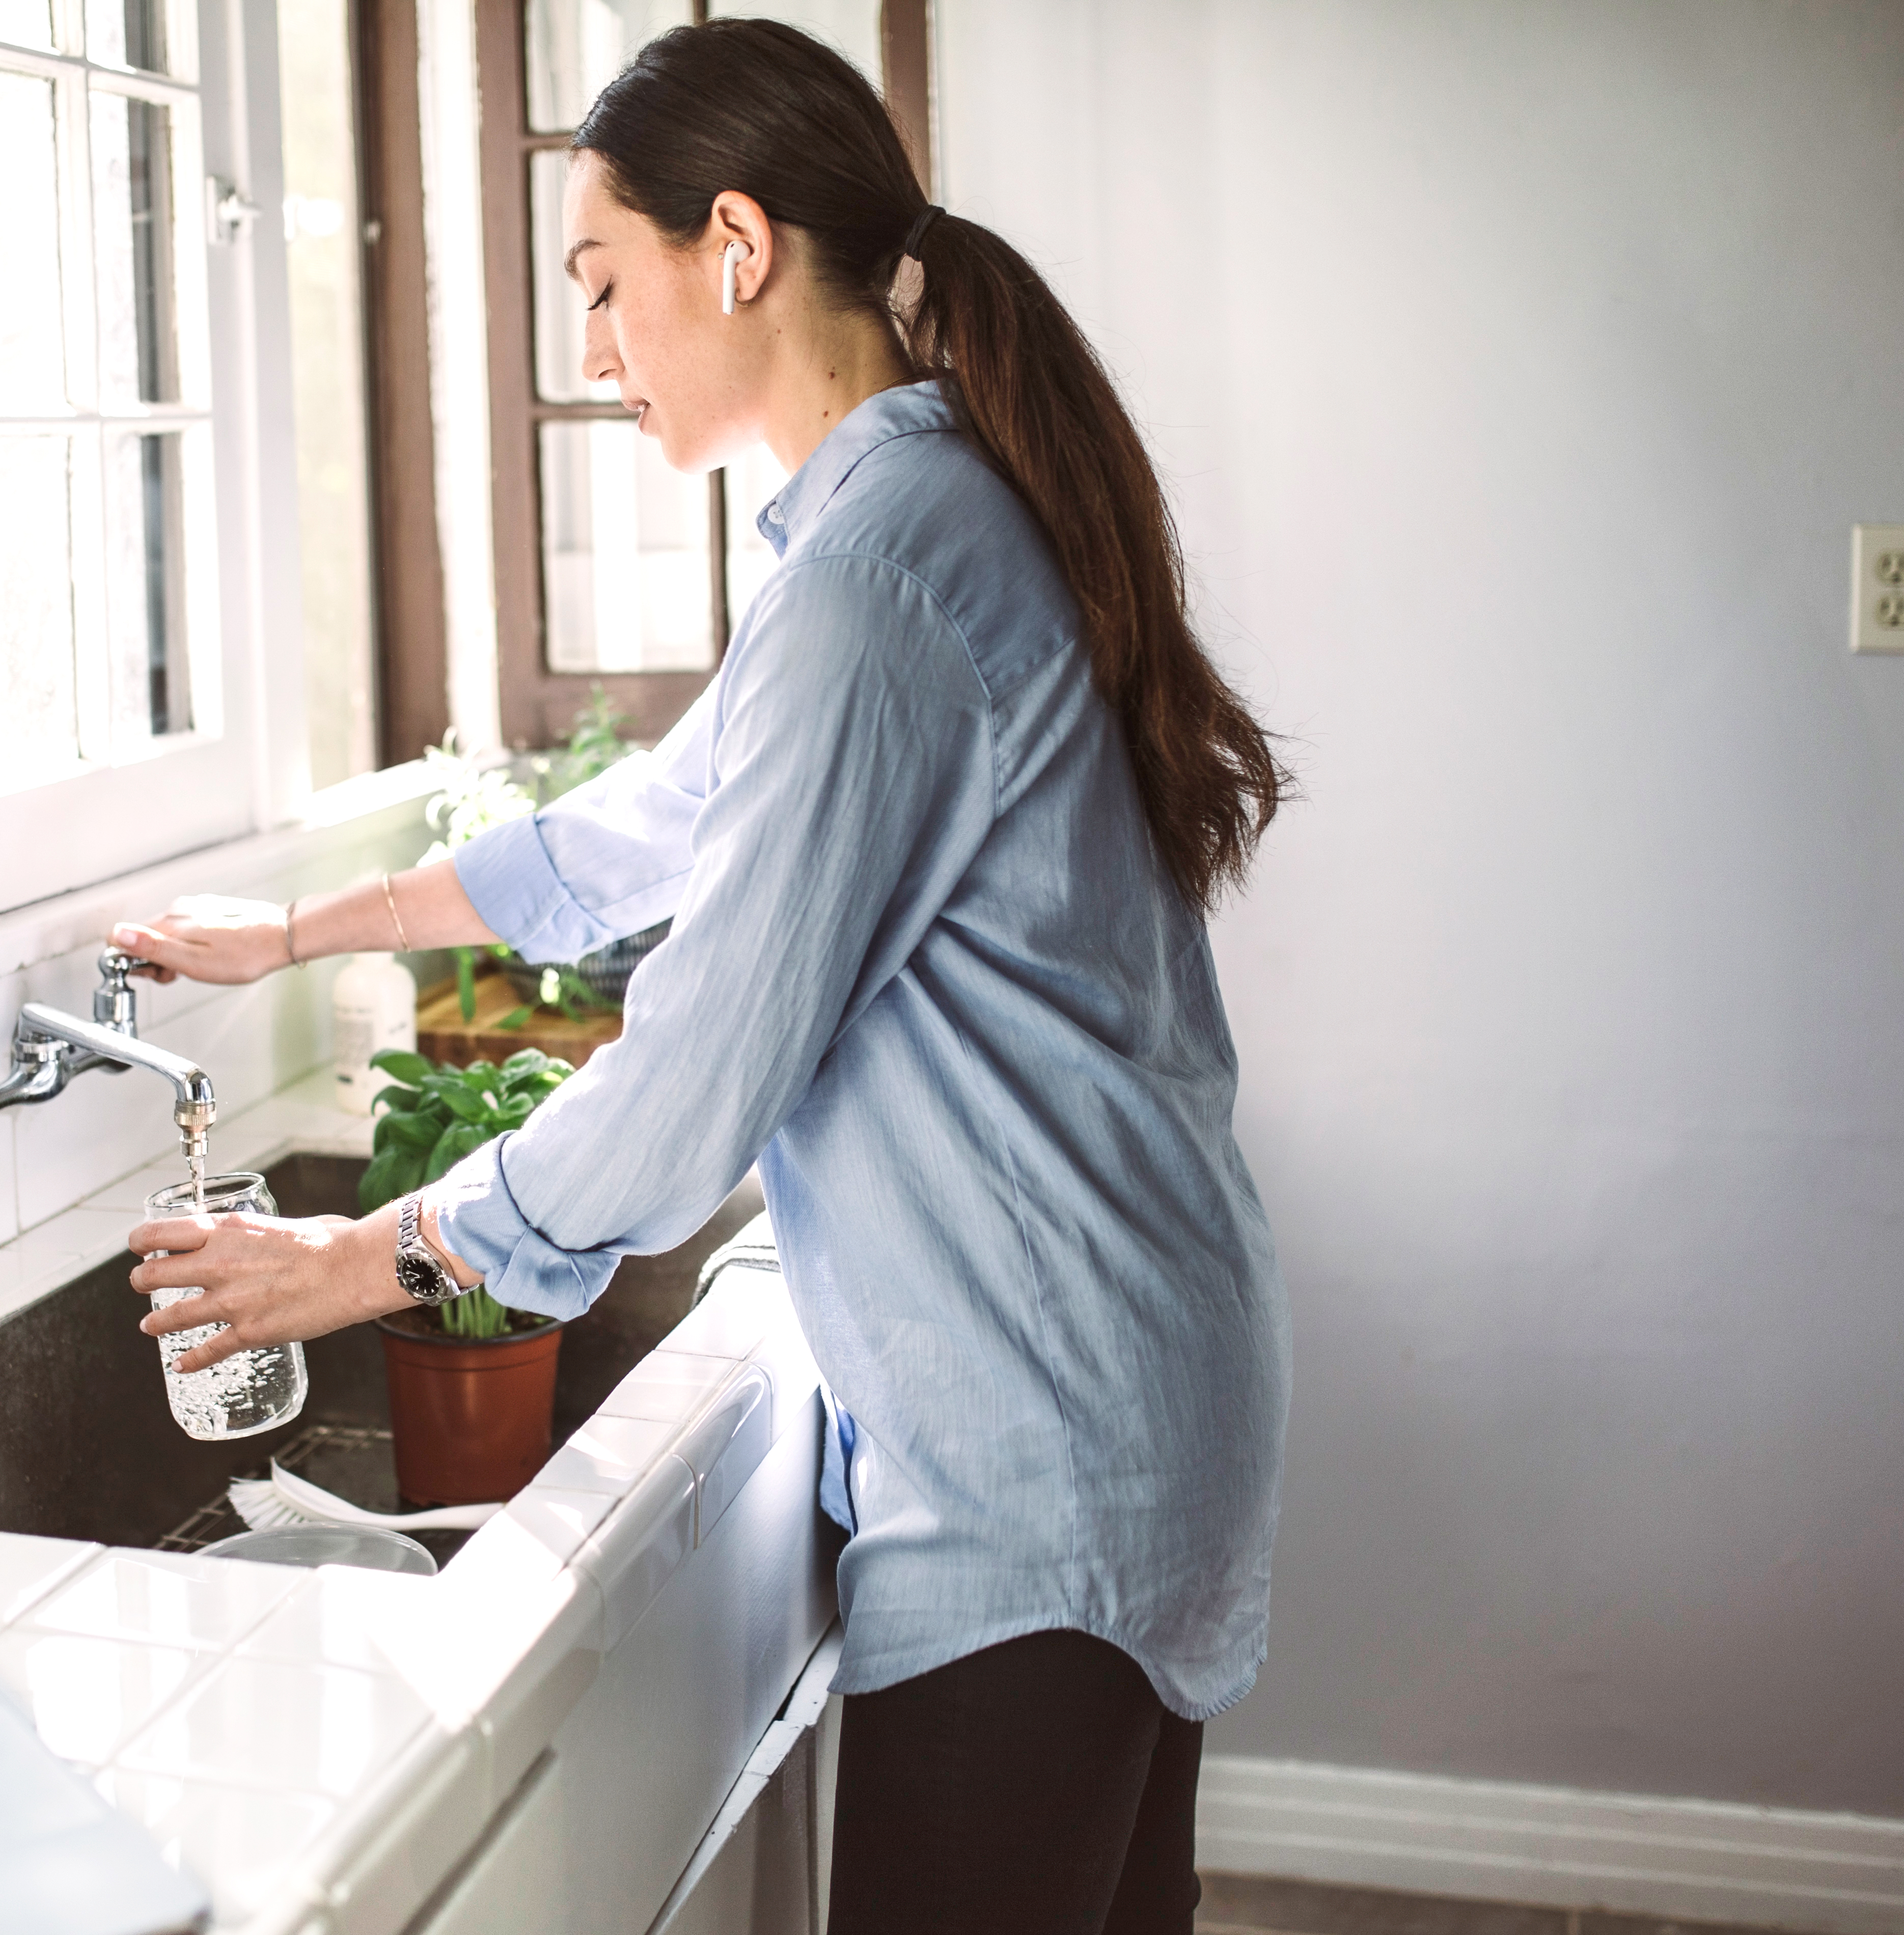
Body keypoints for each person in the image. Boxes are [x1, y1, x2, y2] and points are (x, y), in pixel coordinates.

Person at [112, 19, 1290, 1934]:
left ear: (731, 246)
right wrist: (295, 933)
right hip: (1117, 1378)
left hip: (1038, 1442)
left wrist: (365, 1257)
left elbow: (693, 1078)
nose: (590, 349)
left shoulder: (874, 579)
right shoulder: (902, 525)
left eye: (600, 282)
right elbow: (634, 840)